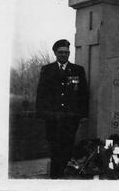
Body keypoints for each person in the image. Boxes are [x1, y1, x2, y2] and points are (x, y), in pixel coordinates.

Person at [36, 39, 89, 179]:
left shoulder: (78, 70)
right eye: (61, 52)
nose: (64, 55)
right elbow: (41, 93)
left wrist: (83, 114)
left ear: (69, 53)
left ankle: (65, 175)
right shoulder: (47, 70)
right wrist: (42, 113)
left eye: (66, 52)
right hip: (53, 118)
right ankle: (55, 177)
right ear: (55, 53)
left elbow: (84, 94)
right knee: (54, 148)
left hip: (70, 118)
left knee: (67, 146)